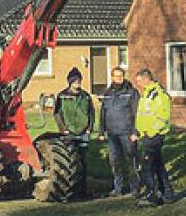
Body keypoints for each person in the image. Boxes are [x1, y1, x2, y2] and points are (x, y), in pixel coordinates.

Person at [133, 68, 174, 206]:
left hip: (154, 136)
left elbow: (163, 117)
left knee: (147, 166)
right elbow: (143, 115)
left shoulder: (158, 94)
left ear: (146, 79)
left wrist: (152, 132)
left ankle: (152, 196)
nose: (137, 84)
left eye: (139, 81)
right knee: (158, 165)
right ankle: (167, 194)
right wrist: (140, 132)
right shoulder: (147, 94)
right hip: (147, 135)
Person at [98, 66, 140, 197]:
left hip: (127, 133)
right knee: (115, 161)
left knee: (130, 161)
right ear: (112, 77)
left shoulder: (131, 92)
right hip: (112, 134)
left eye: (121, 76)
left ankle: (135, 188)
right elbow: (103, 113)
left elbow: (137, 113)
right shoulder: (107, 93)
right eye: (116, 76)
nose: (119, 78)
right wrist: (101, 131)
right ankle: (118, 188)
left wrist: (135, 132)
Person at [54, 67, 95, 197]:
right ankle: (70, 189)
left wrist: (89, 128)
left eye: (79, 81)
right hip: (69, 133)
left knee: (83, 162)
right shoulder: (62, 96)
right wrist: (63, 129)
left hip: (83, 132)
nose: (77, 84)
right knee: (70, 162)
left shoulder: (86, 96)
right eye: (75, 81)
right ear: (70, 82)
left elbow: (91, 113)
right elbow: (57, 114)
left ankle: (83, 190)